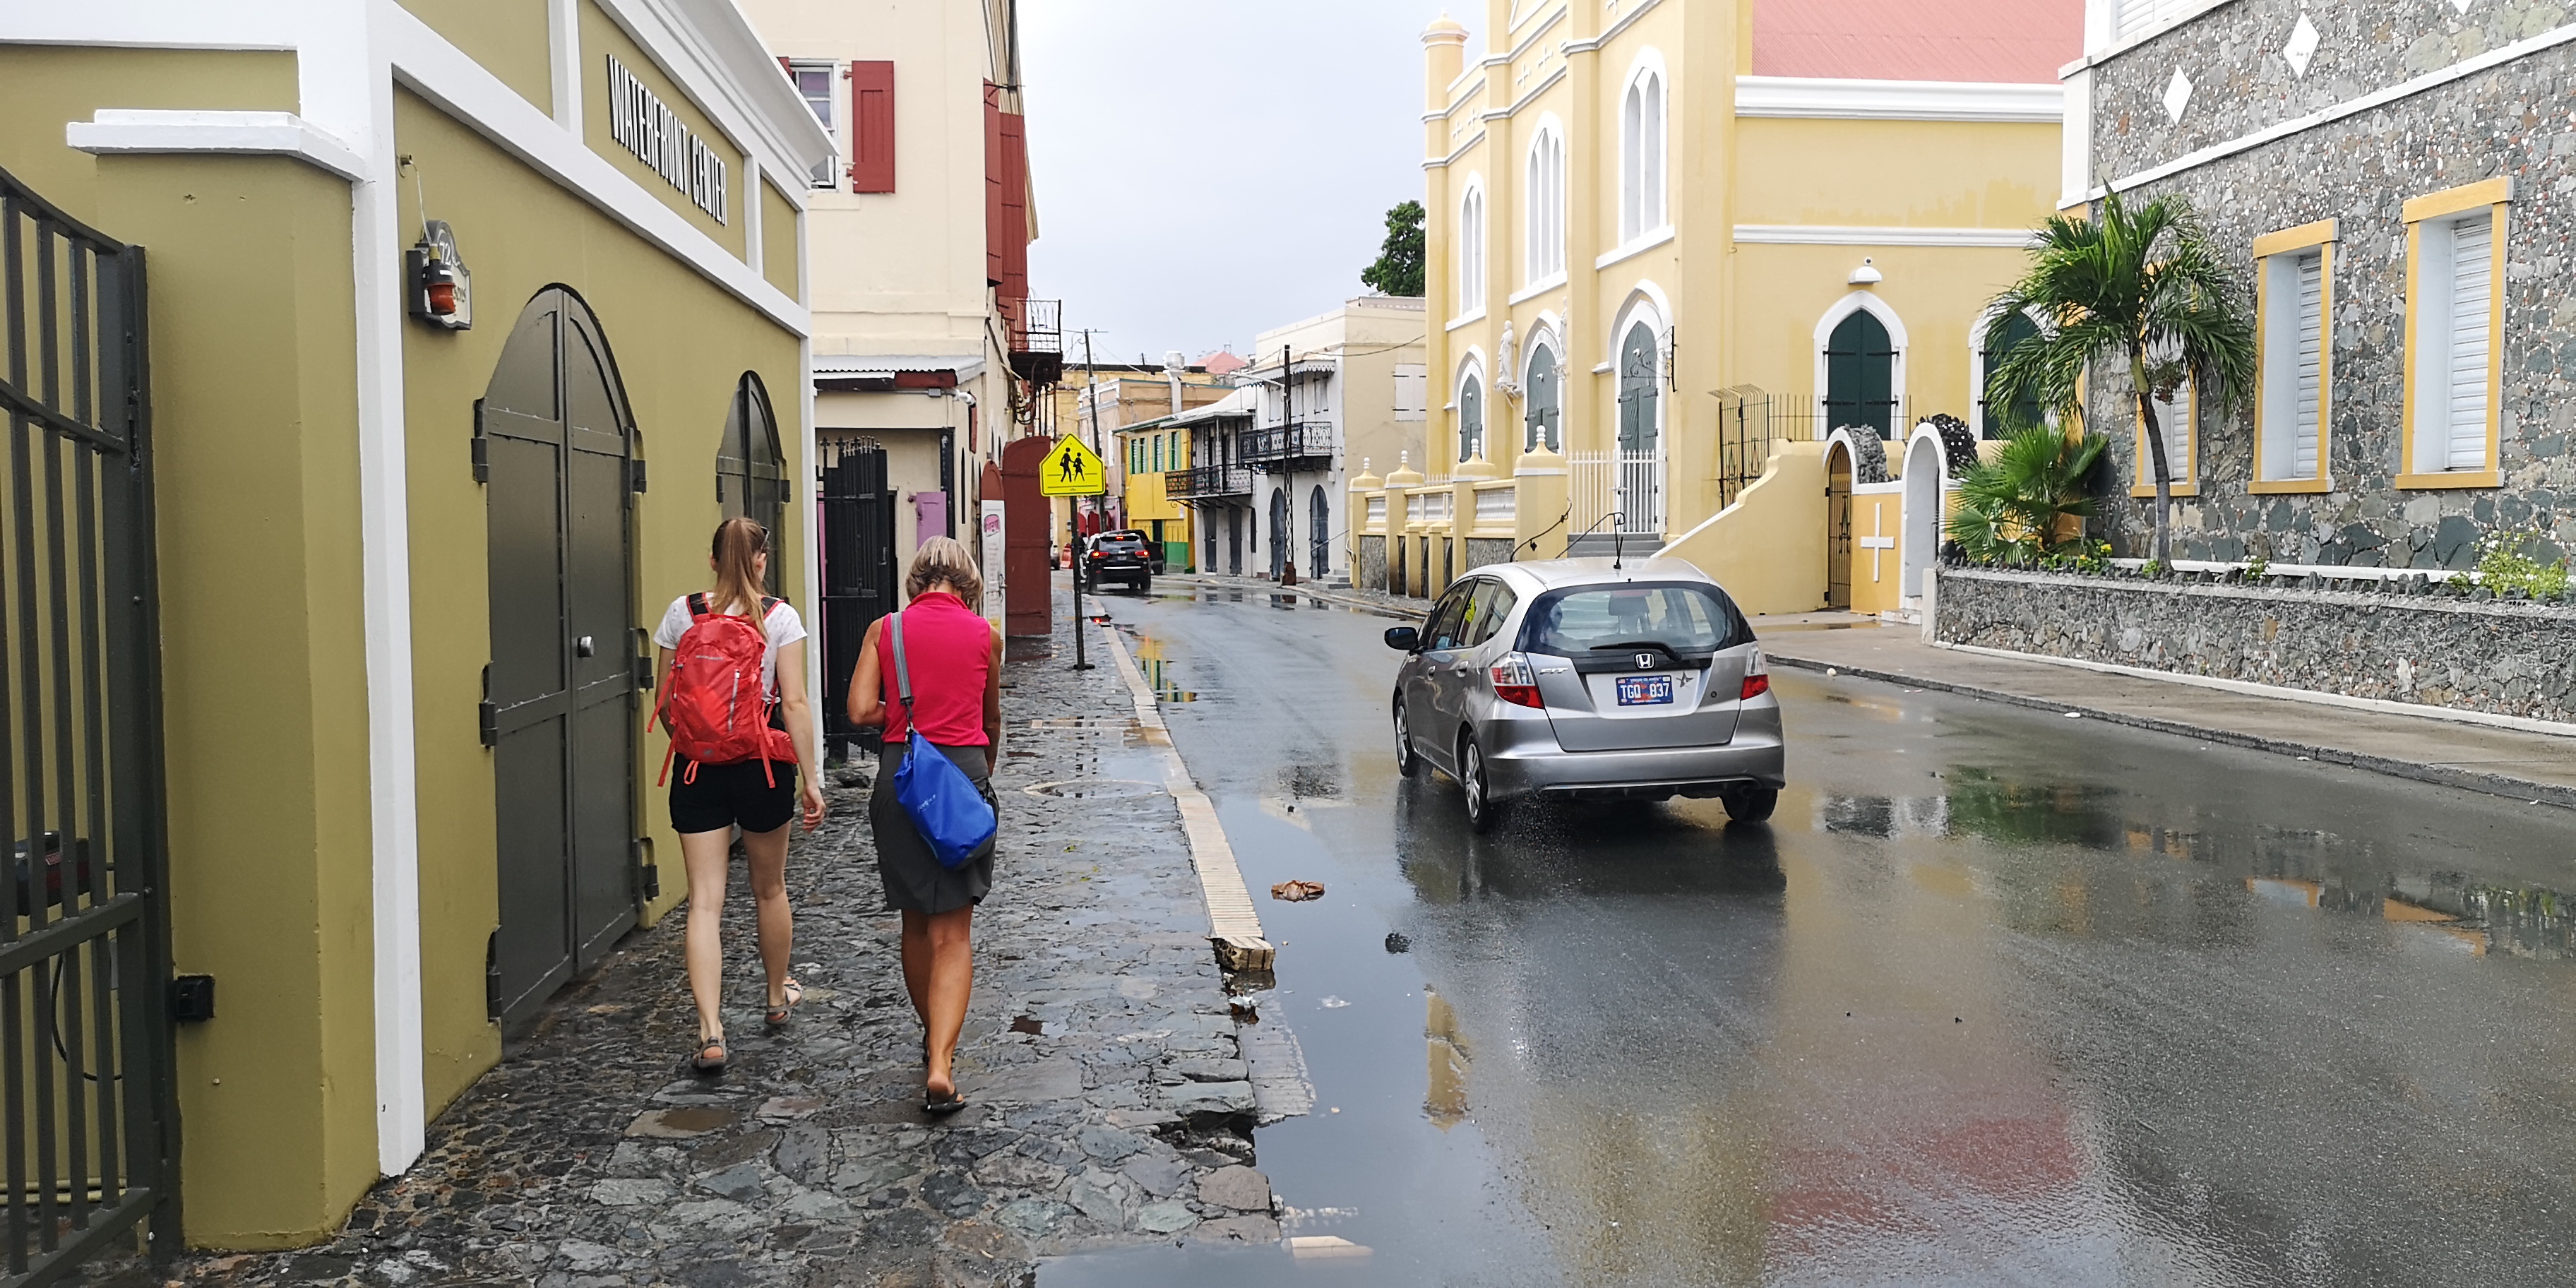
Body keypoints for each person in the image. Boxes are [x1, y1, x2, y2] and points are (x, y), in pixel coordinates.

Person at [654, 518, 827, 1076]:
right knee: (769, 888)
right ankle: (776, 997)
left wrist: (698, 744)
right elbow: (794, 703)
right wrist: (811, 779)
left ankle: (710, 1030)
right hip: (762, 767)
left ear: (712, 561)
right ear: (762, 560)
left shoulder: (682, 613)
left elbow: (664, 704)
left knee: (705, 901)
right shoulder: (780, 618)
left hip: (696, 770)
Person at [844, 536, 1005, 1114]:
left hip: (901, 777)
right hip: (962, 775)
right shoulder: (985, 636)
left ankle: (931, 1035)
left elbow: (858, 711)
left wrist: (909, 712)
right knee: (953, 933)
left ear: (916, 580)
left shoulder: (885, 630)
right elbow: (990, 719)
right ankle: (941, 1063)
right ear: (968, 583)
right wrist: (980, 773)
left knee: (915, 922)